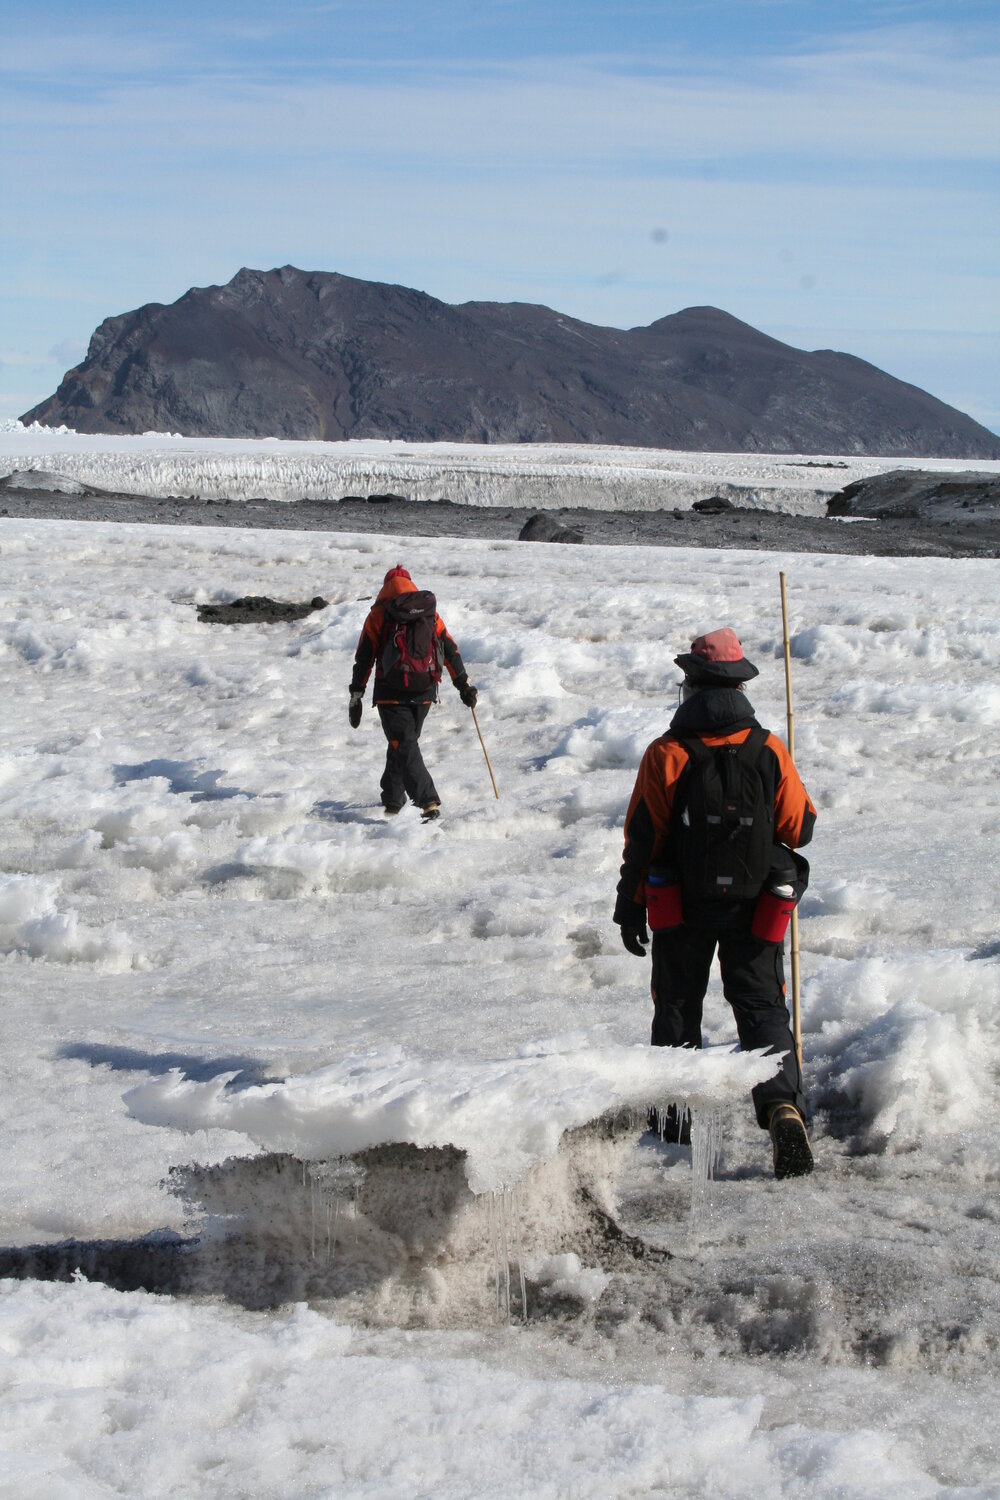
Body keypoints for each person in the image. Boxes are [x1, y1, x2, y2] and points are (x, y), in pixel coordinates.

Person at [613, 627, 817, 1179]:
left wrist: (630, 905)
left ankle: (677, 1126)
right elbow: (799, 829)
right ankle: (781, 1107)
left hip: (682, 903)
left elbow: (643, 838)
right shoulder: (769, 746)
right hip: (757, 904)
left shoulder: (667, 753)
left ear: (693, 684)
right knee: (761, 1007)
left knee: (678, 1004)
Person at [349, 565, 478, 819]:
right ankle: (393, 800)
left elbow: (364, 657)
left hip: (391, 692)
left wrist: (356, 693)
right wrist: (463, 684)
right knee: (403, 744)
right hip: (425, 691)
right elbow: (449, 648)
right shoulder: (428, 613)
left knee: (404, 744)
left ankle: (428, 800)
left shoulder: (379, 613)